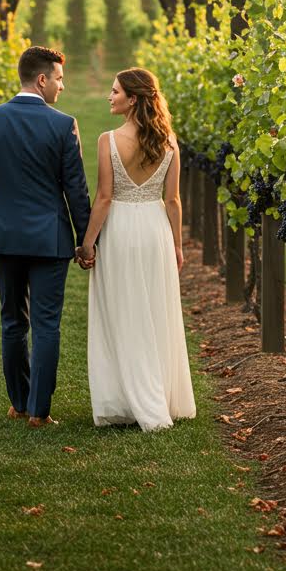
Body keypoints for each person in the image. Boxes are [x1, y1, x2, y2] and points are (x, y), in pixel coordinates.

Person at [0, 45, 91, 428]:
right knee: (47, 324)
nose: (62, 87)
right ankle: (39, 411)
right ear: (41, 80)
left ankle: (18, 403)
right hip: (49, 238)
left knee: (11, 322)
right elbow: (76, 189)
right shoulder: (62, 124)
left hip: (3, 237)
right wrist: (86, 240)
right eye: (58, 79)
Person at [80, 68, 196, 431]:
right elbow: (173, 200)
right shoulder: (170, 141)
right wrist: (176, 244)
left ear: (133, 99)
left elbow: (103, 198)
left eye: (115, 92)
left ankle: (131, 400)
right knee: (155, 310)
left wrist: (86, 244)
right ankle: (156, 396)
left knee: (122, 310)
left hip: (120, 231)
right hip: (155, 229)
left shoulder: (108, 140)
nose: (109, 97)